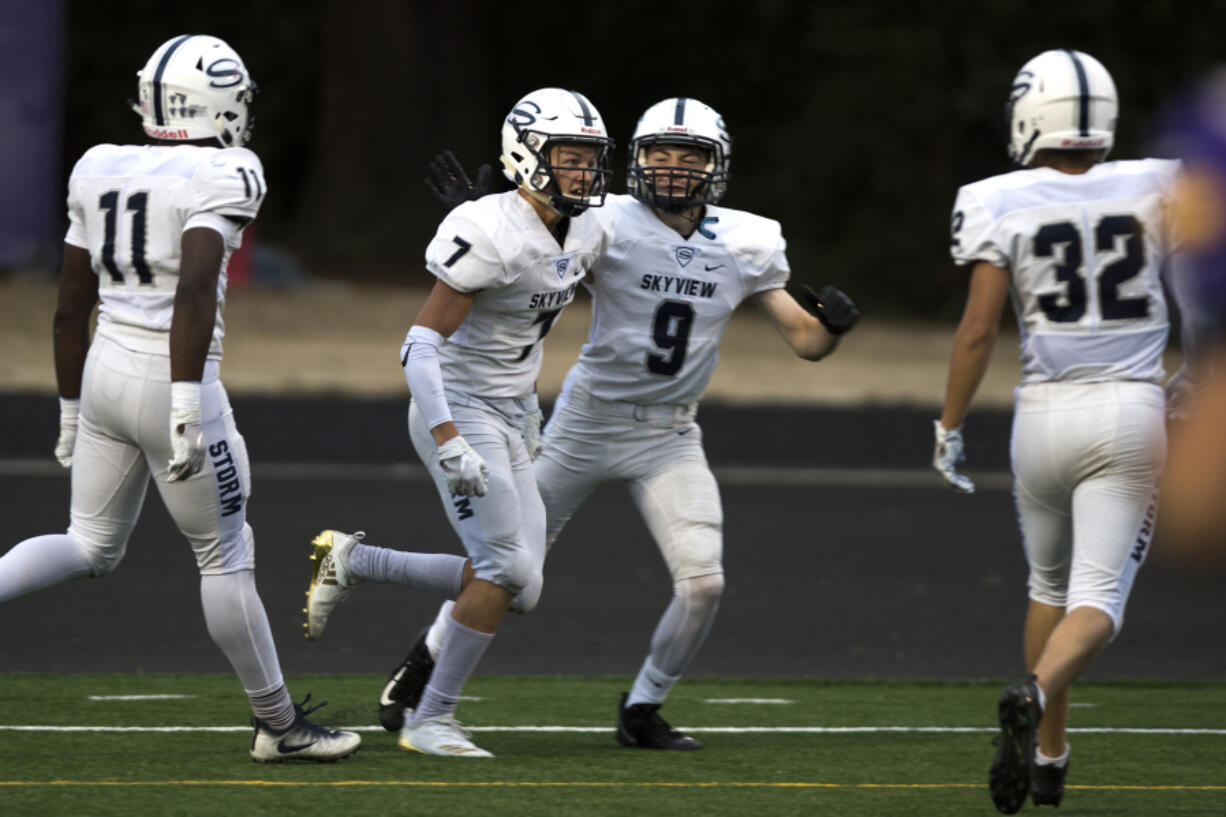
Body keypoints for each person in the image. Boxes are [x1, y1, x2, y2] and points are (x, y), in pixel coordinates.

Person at [364, 98, 859, 750]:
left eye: (692, 156)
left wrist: (834, 329)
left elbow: (804, 342)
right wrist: (496, 214)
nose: (675, 168)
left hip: (671, 433)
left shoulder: (748, 238)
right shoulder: (605, 217)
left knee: (704, 582)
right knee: (511, 565)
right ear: (638, 158)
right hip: (584, 422)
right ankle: (425, 659)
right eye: (660, 153)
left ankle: (643, 705)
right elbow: (530, 258)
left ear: (719, 165)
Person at [0, 35, 360, 762]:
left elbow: (72, 304)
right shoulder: (226, 169)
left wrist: (71, 406)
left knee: (88, 543)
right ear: (217, 100)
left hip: (103, 370)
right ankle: (280, 724)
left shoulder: (98, 164)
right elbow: (195, 284)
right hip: (172, 378)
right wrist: (188, 401)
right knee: (225, 554)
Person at [304, 88, 614, 758]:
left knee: (522, 588)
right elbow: (418, 346)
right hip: (459, 405)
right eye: (568, 157)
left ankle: (354, 559)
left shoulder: (588, 225)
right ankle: (430, 718)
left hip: (513, 408)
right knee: (503, 567)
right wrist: (448, 440)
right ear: (527, 156)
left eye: (590, 158)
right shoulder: (489, 228)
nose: (583, 171)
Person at [934, 50, 1177, 812]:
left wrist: (948, 424)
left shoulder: (996, 197)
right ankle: (1036, 695)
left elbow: (977, 331)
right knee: (1098, 598)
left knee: (1047, 586)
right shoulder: (1162, 182)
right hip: (1129, 410)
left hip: (1039, 416)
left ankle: (1050, 757)